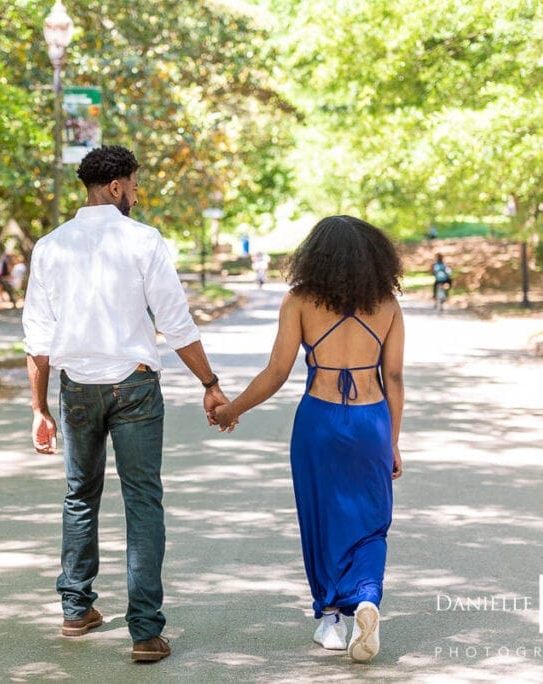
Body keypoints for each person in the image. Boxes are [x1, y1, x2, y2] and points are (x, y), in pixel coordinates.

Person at [22, 145, 230, 664]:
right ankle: (144, 632)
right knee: (142, 501)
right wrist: (210, 382)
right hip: (134, 387)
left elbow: (37, 340)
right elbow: (175, 323)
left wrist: (39, 409)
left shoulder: (50, 246)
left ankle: (76, 608)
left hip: (76, 388)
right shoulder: (143, 241)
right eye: (135, 186)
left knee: (79, 494)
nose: (137, 195)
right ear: (115, 188)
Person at [213, 215, 405, 663]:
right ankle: (368, 597)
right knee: (372, 520)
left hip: (318, 421)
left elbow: (277, 372)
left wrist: (231, 410)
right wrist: (392, 441)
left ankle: (332, 620)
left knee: (320, 516)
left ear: (315, 256)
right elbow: (393, 376)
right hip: (370, 420)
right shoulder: (388, 305)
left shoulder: (299, 301)